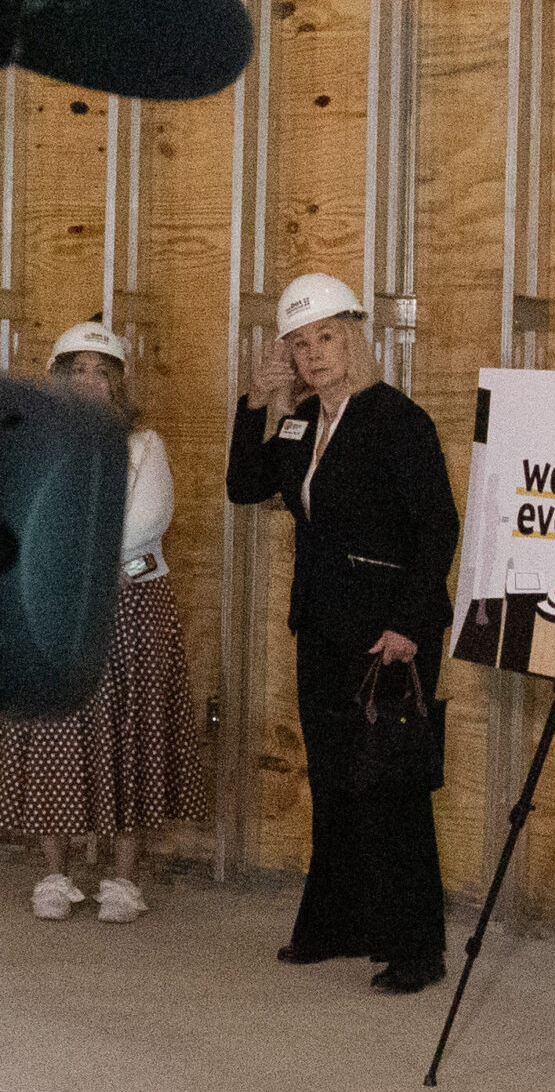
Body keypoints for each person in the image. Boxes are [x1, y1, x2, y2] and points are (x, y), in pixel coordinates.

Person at [225, 272, 459, 993]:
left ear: (354, 339)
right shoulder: (299, 422)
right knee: (332, 782)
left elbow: (437, 527)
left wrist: (410, 626)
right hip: (321, 626)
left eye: (326, 338)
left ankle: (417, 949)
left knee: (392, 787)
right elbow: (243, 486)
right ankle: (337, 925)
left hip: (385, 632)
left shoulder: (396, 419)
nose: (314, 355)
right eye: (299, 345)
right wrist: (254, 405)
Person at [2, 321, 208, 921]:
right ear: (58, 378)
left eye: (102, 370)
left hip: (134, 607)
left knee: (133, 730)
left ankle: (122, 879)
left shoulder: (145, 446)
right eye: (77, 369)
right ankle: (54, 873)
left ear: (117, 382)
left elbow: (143, 522)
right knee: (56, 735)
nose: (90, 381)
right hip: (55, 609)